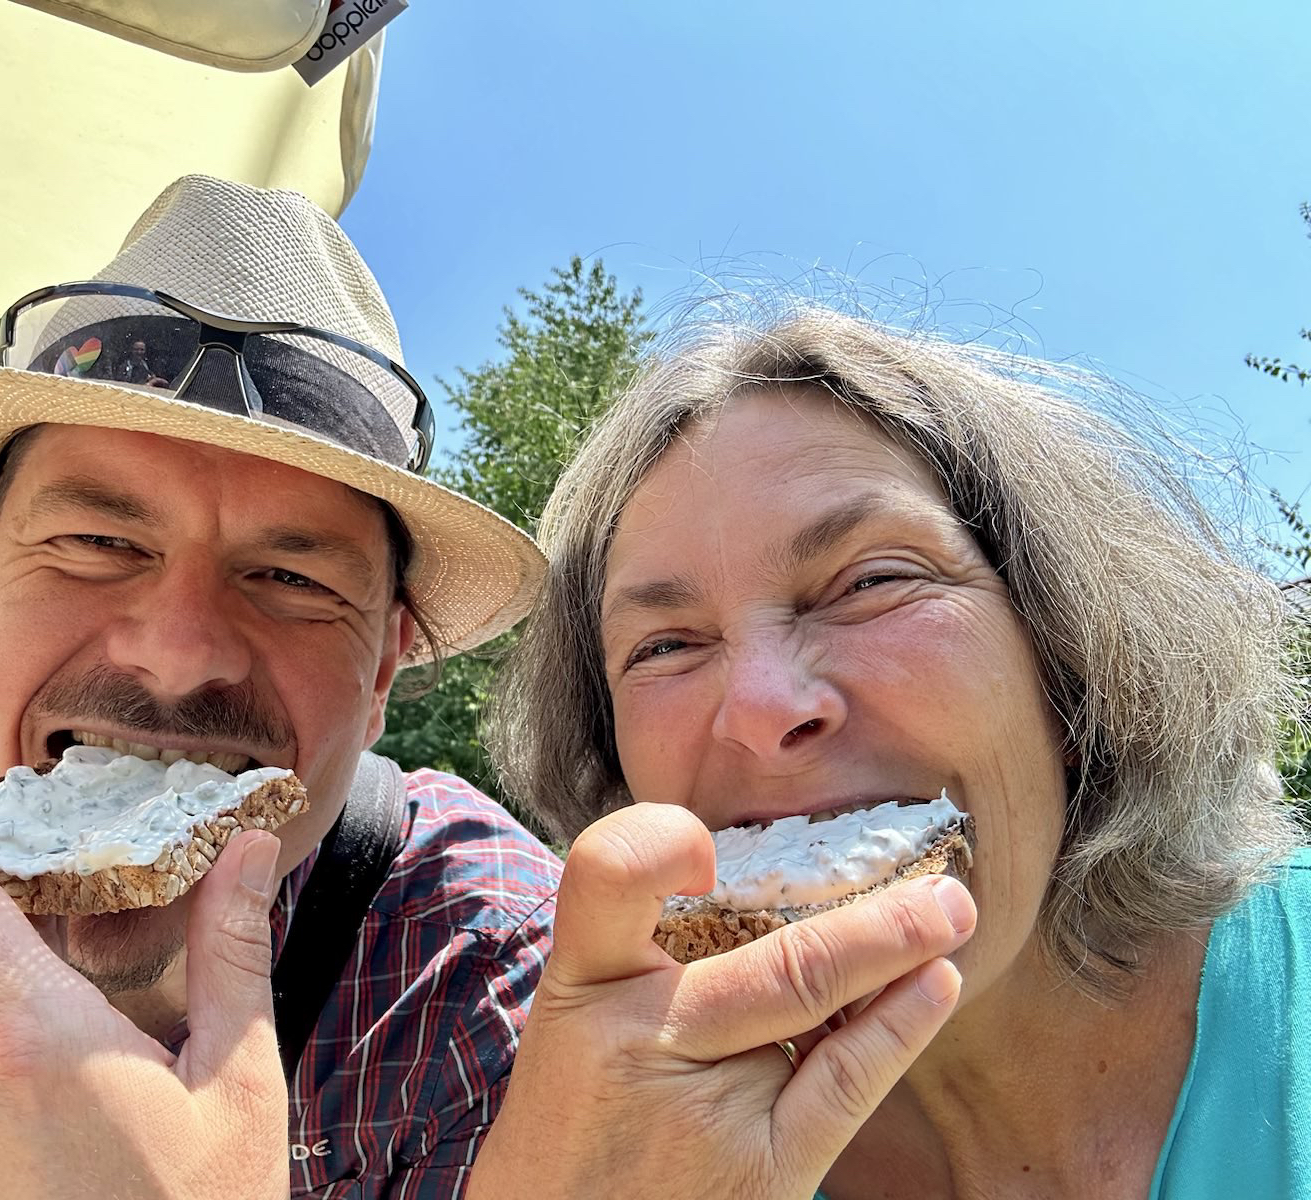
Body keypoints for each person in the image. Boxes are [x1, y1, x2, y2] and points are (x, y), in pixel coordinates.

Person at [0, 176, 561, 1199]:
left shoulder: (480, 969)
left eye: (292, 579)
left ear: (379, 675)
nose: (179, 652)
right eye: (98, 541)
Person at [476, 305, 1309, 1199]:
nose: (762, 710)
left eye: (873, 581)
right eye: (666, 646)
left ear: (1072, 670)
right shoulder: (621, 1135)